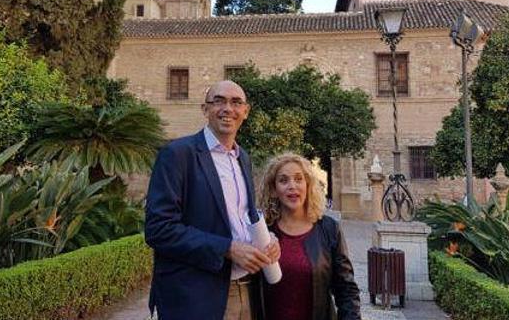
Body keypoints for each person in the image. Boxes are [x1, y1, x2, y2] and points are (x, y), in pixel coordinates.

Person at [145, 80, 279, 320]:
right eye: (219, 101)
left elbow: (242, 216)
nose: (228, 108)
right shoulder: (177, 154)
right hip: (197, 297)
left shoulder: (242, 158)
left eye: (236, 102)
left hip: (248, 290)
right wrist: (227, 248)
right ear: (205, 109)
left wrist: (268, 239)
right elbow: (159, 229)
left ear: (245, 112)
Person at [257, 154, 361, 320]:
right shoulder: (262, 232)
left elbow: (346, 290)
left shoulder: (329, 229)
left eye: (298, 179)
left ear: (308, 185)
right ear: (274, 190)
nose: (292, 186)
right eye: (283, 181)